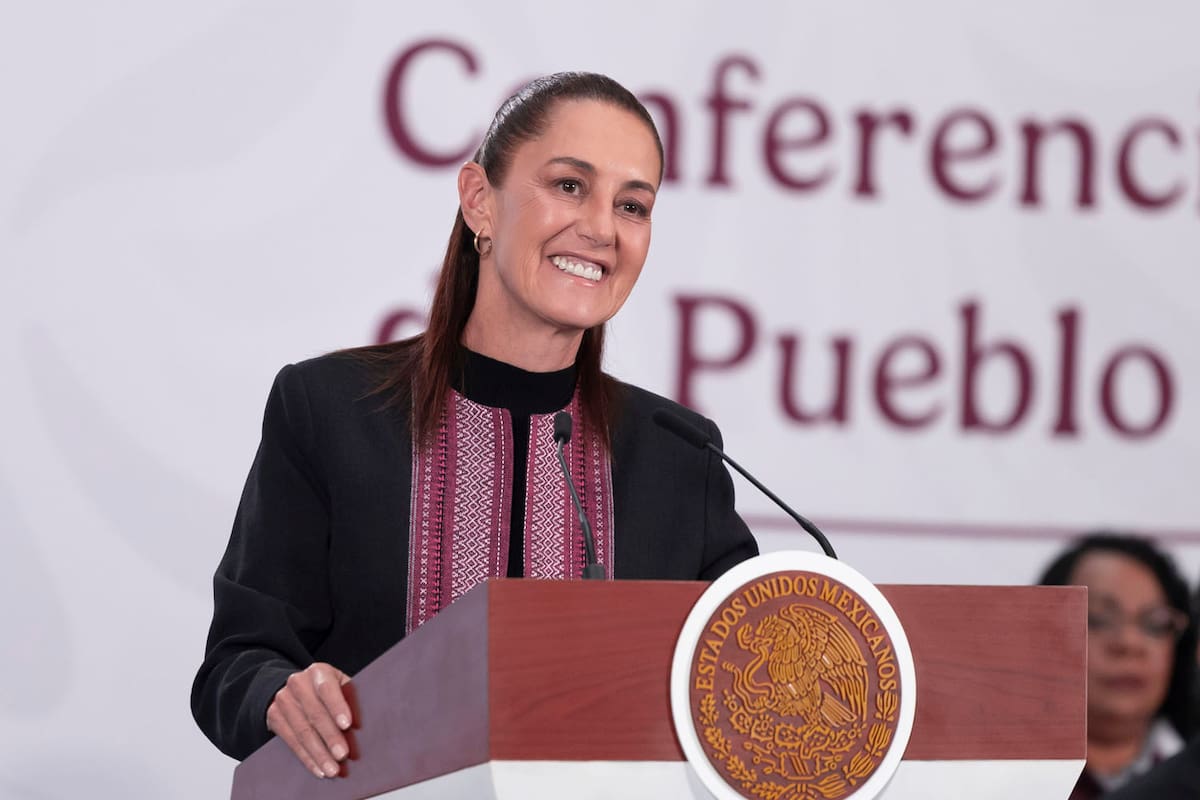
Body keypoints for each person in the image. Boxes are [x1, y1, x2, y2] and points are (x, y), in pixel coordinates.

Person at [191, 72, 759, 779]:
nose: (603, 229)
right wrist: (279, 693)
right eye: (570, 186)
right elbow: (235, 665)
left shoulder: (680, 457)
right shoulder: (330, 410)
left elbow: (758, 674)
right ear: (479, 201)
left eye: (633, 205)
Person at [1038, 533, 1197, 800]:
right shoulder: (994, 780)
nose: (1129, 643)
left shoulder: (1191, 773)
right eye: (1098, 619)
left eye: (1154, 623)